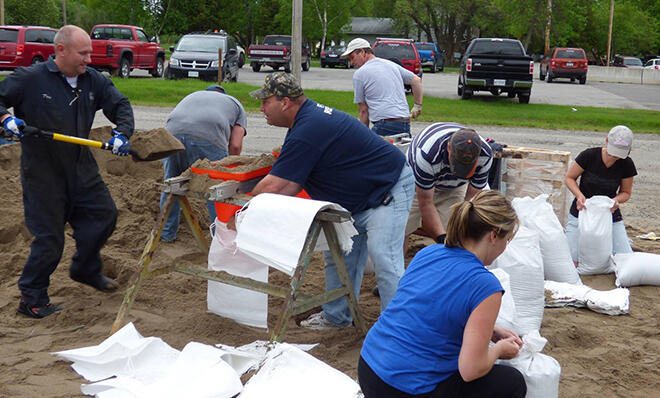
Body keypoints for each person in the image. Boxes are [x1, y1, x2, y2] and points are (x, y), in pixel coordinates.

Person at [247, 72, 414, 329]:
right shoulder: (304, 123)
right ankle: (337, 317)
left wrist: (246, 209)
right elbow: (291, 183)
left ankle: (397, 330)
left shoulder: (309, 127)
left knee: (384, 257)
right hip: (356, 197)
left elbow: (278, 184)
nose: (261, 108)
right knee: (339, 254)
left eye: (265, 101)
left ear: (285, 103)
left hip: (387, 189)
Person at [0, 25, 134, 319]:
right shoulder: (31, 78)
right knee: (49, 239)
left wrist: (123, 133)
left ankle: (85, 268)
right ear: (61, 50)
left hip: (81, 166)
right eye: (83, 52)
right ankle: (31, 299)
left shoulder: (93, 81)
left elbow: (120, 104)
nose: (89, 58)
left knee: (104, 215)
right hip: (42, 172)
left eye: (90, 52)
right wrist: (5, 118)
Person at [359, 190, 526, 398]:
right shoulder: (486, 285)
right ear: (493, 236)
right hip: (405, 389)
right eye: (507, 240)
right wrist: (500, 349)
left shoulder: (429, 253)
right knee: (512, 382)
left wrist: (489, 329)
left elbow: (427, 310)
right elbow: (471, 369)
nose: (504, 248)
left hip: (369, 368)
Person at [159, 84, 247, 242]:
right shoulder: (235, 104)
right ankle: (220, 238)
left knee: (171, 184)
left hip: (171, 135)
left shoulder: (193, 96)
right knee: (217, 189)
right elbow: (235, 145)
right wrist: (228, 170)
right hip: (207, 136)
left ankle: (165, 234)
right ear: (223, 94)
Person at [406, 122, 493, 246]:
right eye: (458, 164)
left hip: (454, 186)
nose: (461, 169)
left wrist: (452, 237)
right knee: (402, 231)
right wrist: (442, 238)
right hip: (415, 183)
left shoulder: (486, 155)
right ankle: (399, 264)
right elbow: (425, 203)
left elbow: (469, 201)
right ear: (448, 148)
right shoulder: (427, 154)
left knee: (452, 228)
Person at [564, 125, 637, 265]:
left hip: (609, 213)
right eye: (613, 152)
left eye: (620, 153)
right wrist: (579, 196)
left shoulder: (626, 164)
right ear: (606, 141)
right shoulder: (589, 156)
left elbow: (626, 193)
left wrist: (615, 201)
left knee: (625, 259)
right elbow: (569, 178)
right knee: (571, 261)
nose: (615, 156)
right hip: (582, 211)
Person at [341, 38, 423, 137]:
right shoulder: (390, 65)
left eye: (352, 57)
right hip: (404, 123)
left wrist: (363, 138)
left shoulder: (360, 74)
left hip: (384, 125)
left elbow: (363, 110)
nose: (351, 63)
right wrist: (417, 106)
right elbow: (416, 81)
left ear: (362, 52)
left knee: (367, 151)